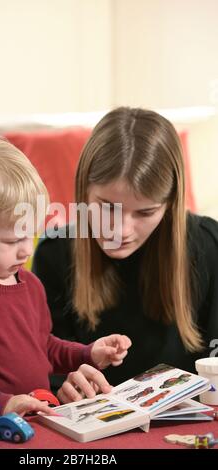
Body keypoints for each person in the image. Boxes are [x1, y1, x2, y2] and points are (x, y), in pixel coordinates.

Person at [0, 136, 132, 415]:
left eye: (31, 236)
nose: (26, 251)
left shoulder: (29, 284)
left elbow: (43, 346)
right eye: (12, 241)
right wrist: (4, 402)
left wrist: (87, 353)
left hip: (37, 416)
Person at [32, 106, 218, 392]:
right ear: (84, 190)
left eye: (145, 213)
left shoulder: (210, 246)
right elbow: (41, 366)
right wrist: (60, 386)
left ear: (170, 204)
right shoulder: (54, 253)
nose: (121, 231)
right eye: (107, 207)